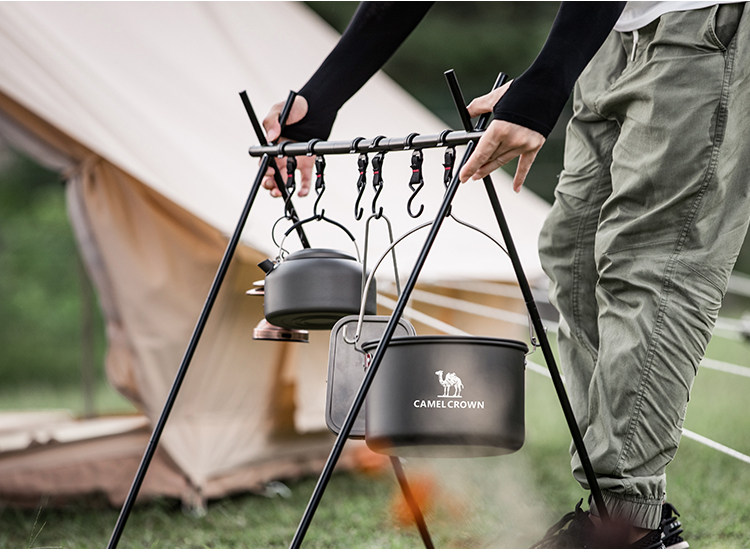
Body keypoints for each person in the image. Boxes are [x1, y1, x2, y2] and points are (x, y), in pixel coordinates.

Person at [262, 2, 749, 547]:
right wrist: (322, 97)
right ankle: (614, 513)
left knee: (651, 261)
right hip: (608, 33)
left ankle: (629, 524)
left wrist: (543, 87)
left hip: (704, 23)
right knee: (571, 254)